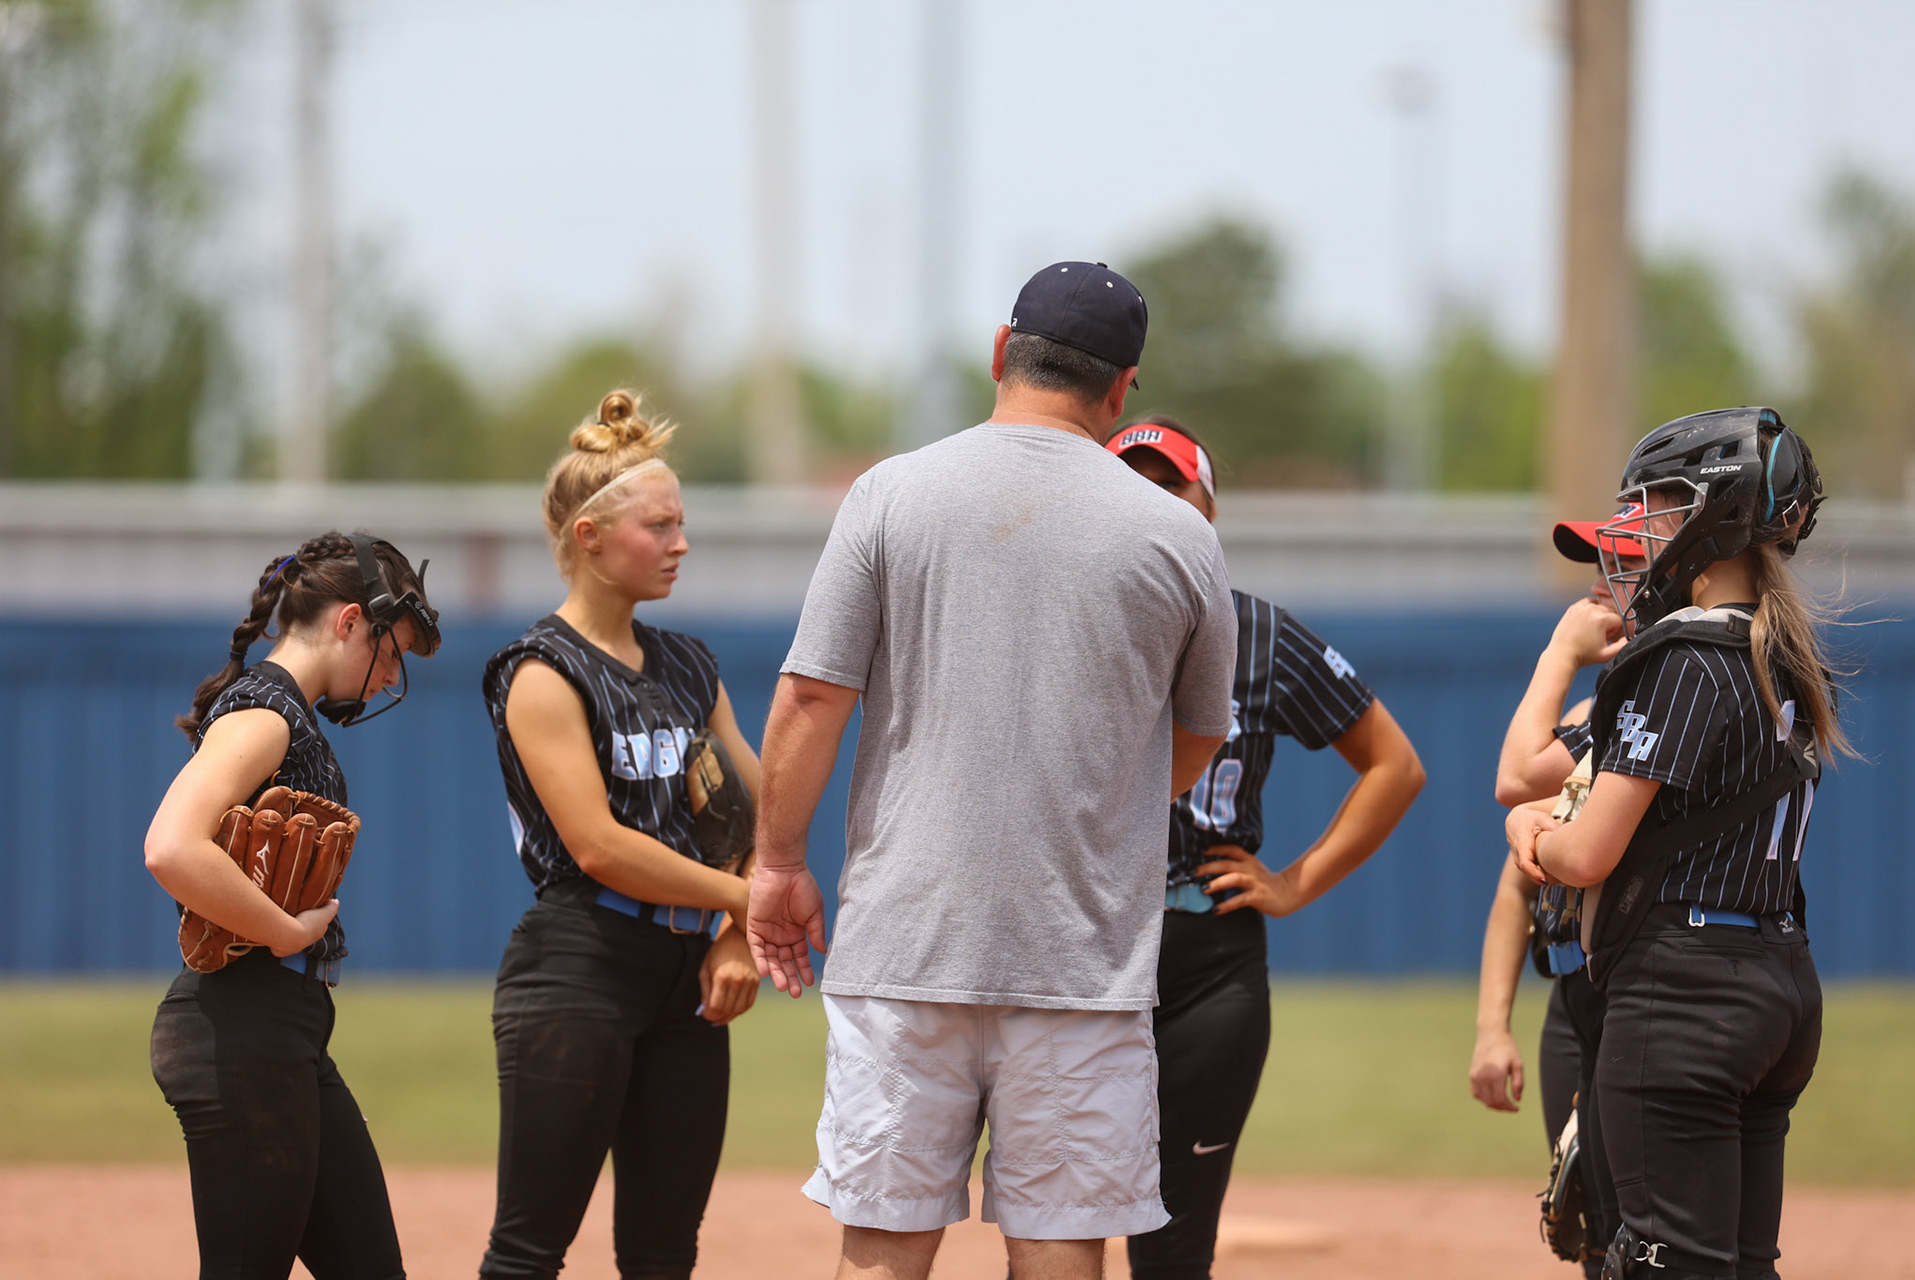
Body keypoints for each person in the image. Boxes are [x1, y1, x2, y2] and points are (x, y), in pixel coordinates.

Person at [747, 262, 1239, 1280]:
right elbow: (1196, 739)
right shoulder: (1181, 536)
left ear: (1000, 353)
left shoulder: (889, 492)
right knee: (1058, 1248)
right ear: (1121, 387)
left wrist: (776, 863)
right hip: (1081, 963)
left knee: (882, 1247)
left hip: (905, 942)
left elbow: (808, 699)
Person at [1508, 407, 1840, 1280]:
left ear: (1715, 515)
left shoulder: (1684, 658)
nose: (1636, 525)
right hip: (1779, 981)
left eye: (1658, 502)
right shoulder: (1788, 659)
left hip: (1685, 996)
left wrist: (1529, 834)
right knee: (1739, 1263)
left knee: (1660, 1264)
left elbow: (1585, 857)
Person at [1104, 417, 1425, 1280]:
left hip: (1208, 953)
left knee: (1174, 1242)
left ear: (1210, 509)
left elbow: (1395, 766)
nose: (1151, 505)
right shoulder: (1062, 629)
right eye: (1127, 485)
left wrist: (1295, 882)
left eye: (1171, 487)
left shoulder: (1261, 634)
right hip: (1086, 949)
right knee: (1055, 1220)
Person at [477, 390, 762, 1280]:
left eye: (682, 524)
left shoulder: (687, 663)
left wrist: (738, 935)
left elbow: (754, 811)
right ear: (589, 537)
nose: (681, 544)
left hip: (687, 985)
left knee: (662, 1255)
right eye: (660, 526)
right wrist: (743, 898)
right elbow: (598, 846)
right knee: (529, 1253)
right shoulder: (541, 670)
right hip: (580, 964)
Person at [145, 530, 441, 1280]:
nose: (389, 676)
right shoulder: (268, 714)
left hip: (281, 1036)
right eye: (392, 650)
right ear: (348, 621)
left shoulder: (287, 714)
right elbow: (171, 847)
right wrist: (284, 930)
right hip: (242, 1030)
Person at [1470, 509, 1647, 1278]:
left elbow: (1516, 780)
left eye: (1621, 570)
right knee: (1591, 1232)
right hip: (1572, 1000)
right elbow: (1518, 887)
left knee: (1647, 1235)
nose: (1599, 590)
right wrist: (1491, 1029)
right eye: (1596, 570)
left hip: (1641, 994)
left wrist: (1557, 652)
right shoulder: (1593, 715)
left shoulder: (1674, 706)